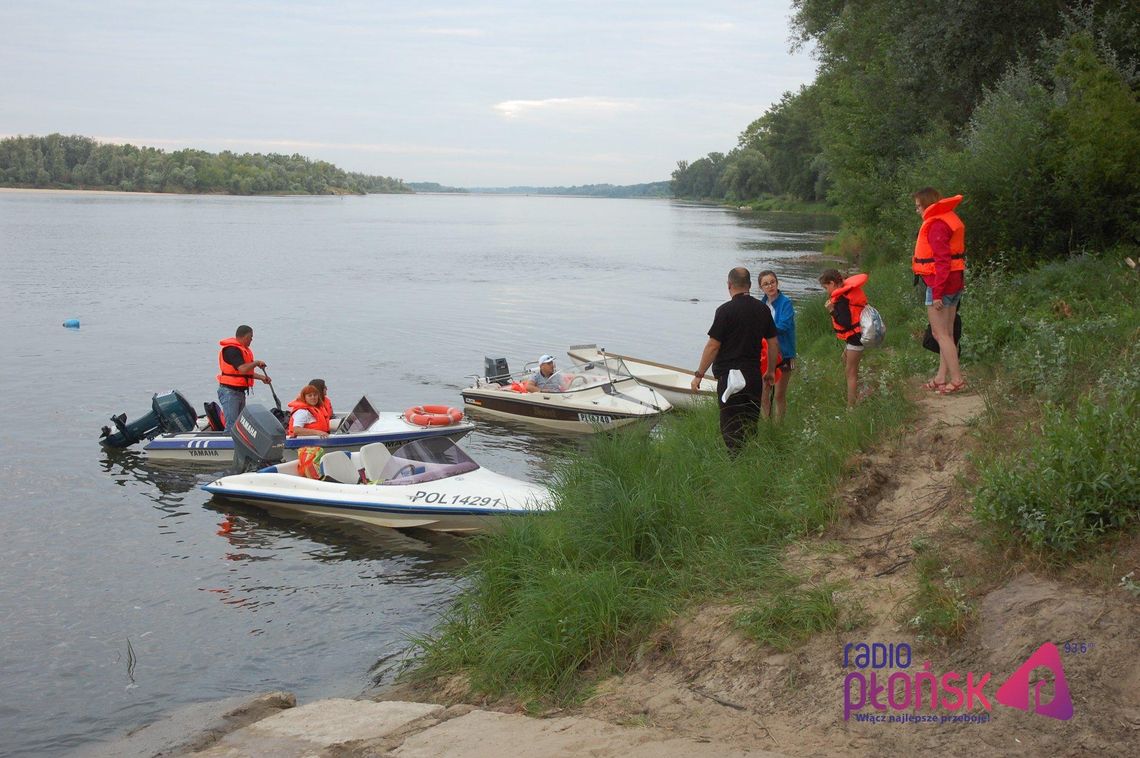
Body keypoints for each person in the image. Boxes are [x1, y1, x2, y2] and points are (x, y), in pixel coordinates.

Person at [691, 267, 778, 454]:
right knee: (750, 423)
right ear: (750, 285)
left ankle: (736, 464)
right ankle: (751, 462)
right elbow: (773, 343)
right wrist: (770, 371)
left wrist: (699, 374)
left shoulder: (725, 311)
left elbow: (713, 346)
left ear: (729, 285)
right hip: (753, 376)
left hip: (730, 378)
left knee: (731, 426)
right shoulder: (762, 309)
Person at [912, 187, 967, 394]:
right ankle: (941, 378)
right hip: (954, 283)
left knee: (939, 333)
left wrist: (936, 293)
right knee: (948, 332)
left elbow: (942, 262)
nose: (917, 210)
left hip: (940, 285)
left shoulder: (936, 225)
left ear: (927, 204)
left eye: (918, 206)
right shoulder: (948, 218)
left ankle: (957, 380)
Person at [819, 269, 867, 408]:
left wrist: (831, 310)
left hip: (855, 337)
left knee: (850, 372)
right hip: (856, 335)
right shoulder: (847, 292)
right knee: (844, 359)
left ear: (833, 283)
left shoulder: (842, 299)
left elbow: (845, 322)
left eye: (826, 287)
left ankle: (850, 407)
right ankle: (859, 390)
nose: (826, 290)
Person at [758, 270, 797, 421]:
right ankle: (767, 425)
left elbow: (783, 326)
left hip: (785, 353)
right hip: (766, 355)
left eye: (772, 282)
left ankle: (778, 426)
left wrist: (763, 330)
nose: (770, 286)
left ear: (777, 283)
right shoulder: (761, 305)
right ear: (761, 288)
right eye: (766, 284)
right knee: (763, 394)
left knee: (779, 395)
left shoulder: (785, 302)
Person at [216, 325, 270, 431]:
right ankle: (228, 445)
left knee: (239, 425)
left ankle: (238, 445)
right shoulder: (231, 350)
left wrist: (262, 377)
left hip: (239, 392)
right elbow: (243, 369)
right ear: (245, 337)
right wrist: (256, 363)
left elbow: (242, 373)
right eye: (251, 337)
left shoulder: (243, 350)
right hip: (229, 392)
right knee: (232, 424)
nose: (251, 340)